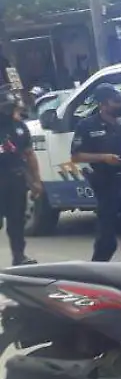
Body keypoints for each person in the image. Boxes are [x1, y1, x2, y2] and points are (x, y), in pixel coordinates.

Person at [71, 84, 121, 262]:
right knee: (106, 240)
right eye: (115, 102)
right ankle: (96, 274)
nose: (120, 105)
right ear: (103, 104)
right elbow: (76, 155)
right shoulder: (87, 125)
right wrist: (104, 157)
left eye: (120, 101)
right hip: (106, 185)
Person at [0, 92, 41, 265]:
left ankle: (19, 256)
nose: (11, 111)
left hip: (16, 179)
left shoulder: (19, 127)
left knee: (16, 221)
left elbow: (29, 154)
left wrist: (36, 181)